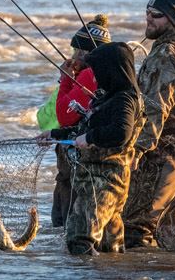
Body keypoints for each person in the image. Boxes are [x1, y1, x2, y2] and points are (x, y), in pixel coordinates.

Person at [41, 42, 144, 255]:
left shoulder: (124, 100)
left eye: (97, 72)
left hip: (105, 183)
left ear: (111, 70)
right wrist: (55, 134)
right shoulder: (108, 97)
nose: (94, 78)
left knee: (79, 237)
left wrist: (90, 137)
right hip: (98, 182)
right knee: (110, 246)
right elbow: (84, 126)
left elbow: (121, 133)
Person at [123, 0, 175, 248]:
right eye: (147, 13)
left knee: (136, 227)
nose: (148, 19)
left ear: (173, 19)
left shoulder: (167, 53)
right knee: (174, 237)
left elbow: (156, 108)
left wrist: (138, 149)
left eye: (156, 15)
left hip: (159, 159)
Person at [44, 15, 111, 227]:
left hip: (76, 150)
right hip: (93, 148)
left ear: (84, 52)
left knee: (66, 204)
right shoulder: (107, 71)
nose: (73, 55)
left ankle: (65, 241)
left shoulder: (86, 74)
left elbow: (65, 117)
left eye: (76, 50)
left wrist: (65, 78)